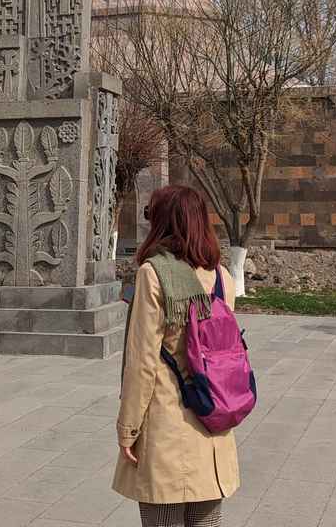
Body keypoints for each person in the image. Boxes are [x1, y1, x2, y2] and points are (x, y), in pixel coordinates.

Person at [113, 186, 239, 527]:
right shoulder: (222, 278)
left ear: (163, 223)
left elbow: (142, 361)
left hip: (168, 426)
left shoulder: (152, 274)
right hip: (213, 417)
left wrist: (128, 429)